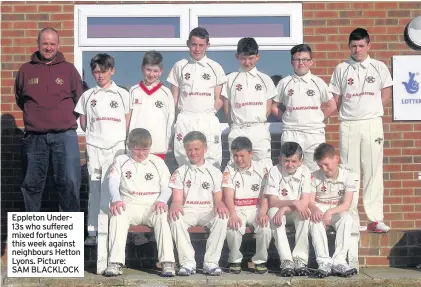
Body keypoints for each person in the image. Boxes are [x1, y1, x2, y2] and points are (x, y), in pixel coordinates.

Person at [329, 28, 393, 234]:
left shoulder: (379, 67)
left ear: (369, 46)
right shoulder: (341, 68)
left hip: (372, 123)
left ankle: (375, 219)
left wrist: (373, 111)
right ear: (349, 47)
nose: (357, 50)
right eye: (354, 46)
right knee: (350, 172)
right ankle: (352, 217)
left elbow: (386, 92)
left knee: (373, 170)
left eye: (361, 46)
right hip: (348, 124)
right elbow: (335, 99)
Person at [15, 27, 84, 212]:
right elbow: (21, 100)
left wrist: (60, 118)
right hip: (34, 137)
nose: (48, 47)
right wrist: (38, 117)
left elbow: (80, 101)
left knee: (69, 183)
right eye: (45, 43)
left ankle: (69, 234)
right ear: (38, 44)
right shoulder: (25, 70)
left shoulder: (69, 70)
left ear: (58, 45)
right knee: (31, 185)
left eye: (52, 44)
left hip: (65, 136)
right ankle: (32, 234)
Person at [103, 128, 176, 277]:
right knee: (118, 215)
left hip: (152, 204)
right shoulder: (121, 161)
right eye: (137, 149)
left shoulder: (158, 162)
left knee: (163, 217)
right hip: (129, 203)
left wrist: (162, 200)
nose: (141, 153)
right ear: (129, 146)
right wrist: (116, 199)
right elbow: (113, 183)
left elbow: (167, 186)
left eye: (145, 149)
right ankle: (115, 262)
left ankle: (167, 262)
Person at [75, 53, 130, 246]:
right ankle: (93, 232)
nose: (100, 75)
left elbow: (127, 122)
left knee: (115, 188)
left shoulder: (123, 94)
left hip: (116, 148)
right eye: (96, 72)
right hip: (95, 147)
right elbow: (83, 123)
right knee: (95, 189)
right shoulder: (87, 96)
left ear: (112, 71)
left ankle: (113, 230)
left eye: (104, 71)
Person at [169, 131, 228, 276]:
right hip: (188, 209)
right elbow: (177, 200)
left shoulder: (215, 172)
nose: (193, 153)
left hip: (207, 209)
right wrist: (175, 204)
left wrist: (219, 203)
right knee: (175, 218)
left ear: (205, 149)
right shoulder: (180, 172)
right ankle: (188, 262)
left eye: (197, 149)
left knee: (222, 218)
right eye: (189, 149)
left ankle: (211, 262)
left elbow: (218, 199)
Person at [167, 27, 227, 168]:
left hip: (207, 118)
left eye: (201, 45)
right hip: (185, 118)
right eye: (194, 44)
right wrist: (175, 119)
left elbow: (219, 98)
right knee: (184, 158)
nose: (197, 49)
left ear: (208, 45)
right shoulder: (179, 66)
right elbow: (174, 98)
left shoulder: (215, 67)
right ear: (188, 44)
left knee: (212, 158)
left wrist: (210, 112)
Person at [272, 44, 337, 172]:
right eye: (297, 59)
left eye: (305, 60)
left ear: (311, 62)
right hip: (291, 133)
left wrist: (317, 119)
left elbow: (332, 105)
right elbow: (273, 106)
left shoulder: (318, 82)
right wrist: (285, 118)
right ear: (292, 62)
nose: (301, 63)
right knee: (289, 172)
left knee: (315, 172)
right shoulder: (284, 83)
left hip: (313, 134)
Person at [222, 37, 276, 170]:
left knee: (264, 168)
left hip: (259, 130)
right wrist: (235, 126)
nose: (247, 62)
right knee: (237, 167)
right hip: (238, 129)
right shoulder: (230, 79)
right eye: (243, 58)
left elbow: (268, 108)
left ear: (258, 57)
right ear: (237, 56)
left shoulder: (265, 79)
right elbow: (227, 107)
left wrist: (256, 123)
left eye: (251, 58)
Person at [222, 136, 272, 274]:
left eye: (242, 155)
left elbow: (265, 194)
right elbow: (228, 195)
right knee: (233, 227)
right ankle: (235, 260)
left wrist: (262, 212)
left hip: (256, 208)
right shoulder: (229, 169)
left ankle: (260, 261)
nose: (239, 160)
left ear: (251, 154)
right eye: (235, 156)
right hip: (237, 208)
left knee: (265, 227)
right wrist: (232, 214)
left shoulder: (262, 169)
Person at [309, 143, 358, 278]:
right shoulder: (314, 176)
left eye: (326, 164)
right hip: (320, 206)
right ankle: (324, 262)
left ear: (336, 159)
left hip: (337, 208)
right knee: (314, 221)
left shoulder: (348, 176)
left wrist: (330, 212)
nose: (324, 169)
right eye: (320, 166)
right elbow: (310, 201)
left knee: (346, 218)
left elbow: (346, 204)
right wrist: (315, 209)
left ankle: (339, 261)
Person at [264, 142, 311, 277]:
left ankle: (300, 259)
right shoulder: (274, 170)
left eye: (293, 161)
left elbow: (304, 202)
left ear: (301, 161)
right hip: (279, 210)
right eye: (286, 161)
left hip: (293, 209)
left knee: (304, 214)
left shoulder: (306, 171)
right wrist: (293, 203)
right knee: (273, 213)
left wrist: (285, 207)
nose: (289, 165)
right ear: (280, 159)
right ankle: (286, 261)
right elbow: (272, 201)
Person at [128, 51, 175, 160]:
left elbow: (170, 121)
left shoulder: (166, 93)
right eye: (148, 70)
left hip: (158, 146)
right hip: (136, 146)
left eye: (155, 71)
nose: (151, 74)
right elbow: (128, 119)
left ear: (161, 71)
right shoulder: (133, 91)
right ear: (142, 68)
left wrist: (167, 142)